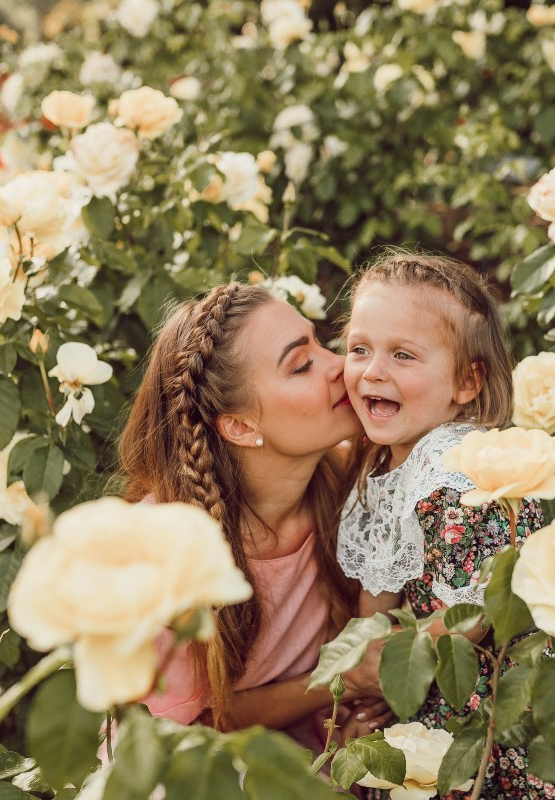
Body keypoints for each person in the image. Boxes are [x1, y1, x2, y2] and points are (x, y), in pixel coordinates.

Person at [337, 251, 555, 798]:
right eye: (359, 349)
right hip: (435, 667)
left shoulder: (458, 471)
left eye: (403, 355)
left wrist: (391, 676)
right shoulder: (383, 463)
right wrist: (373, 685)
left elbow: (477, 615)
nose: (373, 370)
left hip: (495, 686)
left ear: (466, 382)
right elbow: (376, 602)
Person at [118, 281, 387, 749]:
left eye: (321, 343)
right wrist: (347, 677)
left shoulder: (353, 479)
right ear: (241, 427)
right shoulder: (162, 552)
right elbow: (179, 735)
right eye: (301, 365)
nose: (340, 366)